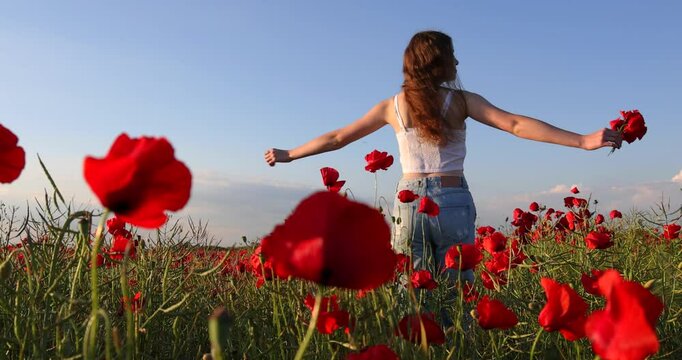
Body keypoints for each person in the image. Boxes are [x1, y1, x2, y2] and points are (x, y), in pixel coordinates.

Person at [264, 30, 622, 327]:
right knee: (458, 298)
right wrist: (582, 140)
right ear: (438, 63)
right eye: (453, 56)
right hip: (452, 202)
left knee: (414, 300)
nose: (458, 62)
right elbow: (515, 124)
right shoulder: (462, 101)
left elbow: (338, 137)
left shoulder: (393, 106)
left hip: (409, 206)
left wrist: (289, 154)